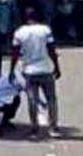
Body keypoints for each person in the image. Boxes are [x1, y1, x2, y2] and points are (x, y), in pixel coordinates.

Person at [10, 7, 60, 137]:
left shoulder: (19, 33)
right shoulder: (45, 30)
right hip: (45, 68)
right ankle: (53, 127)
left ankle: (35, 128)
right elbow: (51, 49)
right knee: (51, 99)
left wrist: (12, 69)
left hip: (29, 70)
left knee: (32, 100)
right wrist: (57, 66)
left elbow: (15, 53)